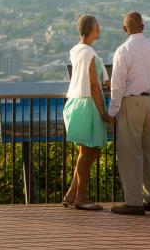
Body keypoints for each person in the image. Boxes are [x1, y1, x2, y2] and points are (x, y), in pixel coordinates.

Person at [108, 12, 150, 215]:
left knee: (130, 152)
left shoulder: (123, 50)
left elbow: (117, 86)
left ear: (125, 29)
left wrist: (112, 112)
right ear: (143, 26)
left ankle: (133, 202)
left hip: (131, 102)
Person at [62, 15, 113, 210]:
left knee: (86, 151)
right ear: (91, 29)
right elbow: (93, 86)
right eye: (97, 27)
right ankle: (81, 197)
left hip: (75, 101)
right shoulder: (89, 52)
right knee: (90, 151)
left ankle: (72, 193)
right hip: (88, 103)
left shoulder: (76, 50)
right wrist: (103, 112)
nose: (99, 29)